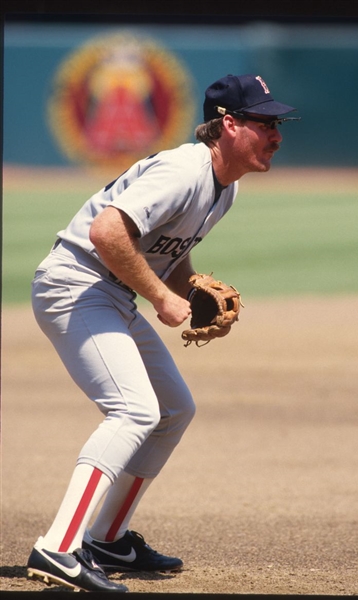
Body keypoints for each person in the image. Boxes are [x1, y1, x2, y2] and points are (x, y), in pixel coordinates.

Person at [27, 73, 299, 592]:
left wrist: (190, 285)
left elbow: (166, 247)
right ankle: (58, 547)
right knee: (134, 410)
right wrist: (162, 298)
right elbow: (106, 232)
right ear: (228, 124)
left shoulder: (226, 188)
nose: (276, 135)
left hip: (108, 291)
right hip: (75, 285)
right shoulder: (182, 169)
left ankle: (107, 538)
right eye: (265, 123)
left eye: (278, 124)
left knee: (175, 409)